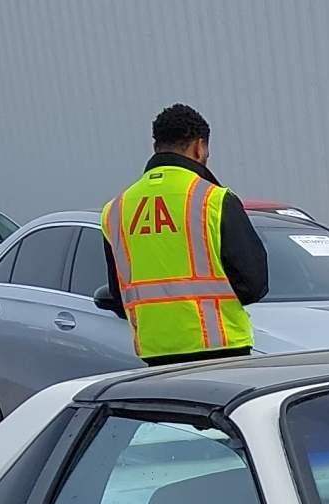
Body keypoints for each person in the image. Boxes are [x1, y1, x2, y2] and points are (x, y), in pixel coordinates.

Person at [96, 102, 269, 364]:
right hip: (221, 350)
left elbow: (119, 296)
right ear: (199, 146)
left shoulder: (116, 209)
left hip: (155, 355)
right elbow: (254, 285)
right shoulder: (213, 199)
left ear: (156, 147)